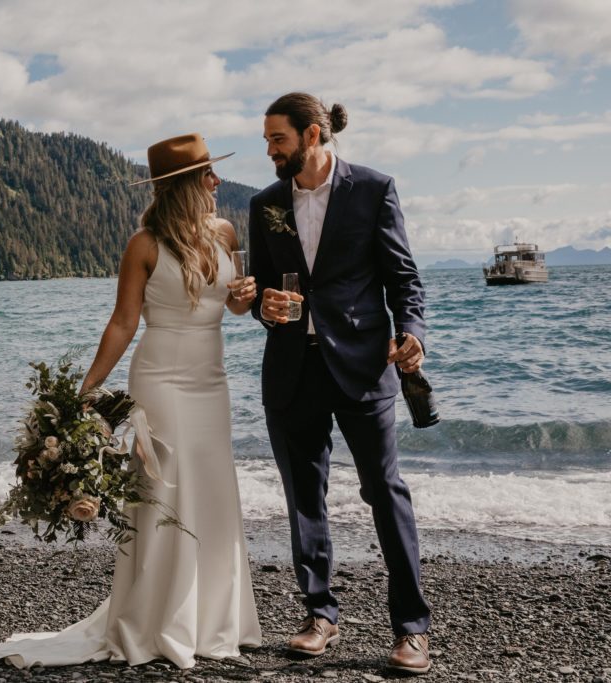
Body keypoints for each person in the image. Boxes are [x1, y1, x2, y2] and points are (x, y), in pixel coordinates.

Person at [0, 132, 262, 669]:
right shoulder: (145, 244)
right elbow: (123, 322)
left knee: (212, 488)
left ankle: (213, 620)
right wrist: (86, 393)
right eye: (208, 173)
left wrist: (241, 300)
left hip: (213, 380)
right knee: (166, 491)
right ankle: (158, 621)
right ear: (187, 183)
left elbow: (227, 308)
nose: (217, 181)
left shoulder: (226, 232)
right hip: (161, 380)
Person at [248, 93, 432, 675]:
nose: (271, 150)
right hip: (292, 371)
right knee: (305, 498)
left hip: (362, 367)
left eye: (278, 138)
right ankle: (319, 613)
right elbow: (258, 289)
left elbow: (404, 276)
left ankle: (411, 629)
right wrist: (265, 308)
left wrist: (413, 332)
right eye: (267, 140)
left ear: (313, 133)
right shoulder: (266, 203)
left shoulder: (374, 189)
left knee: (385, 490)